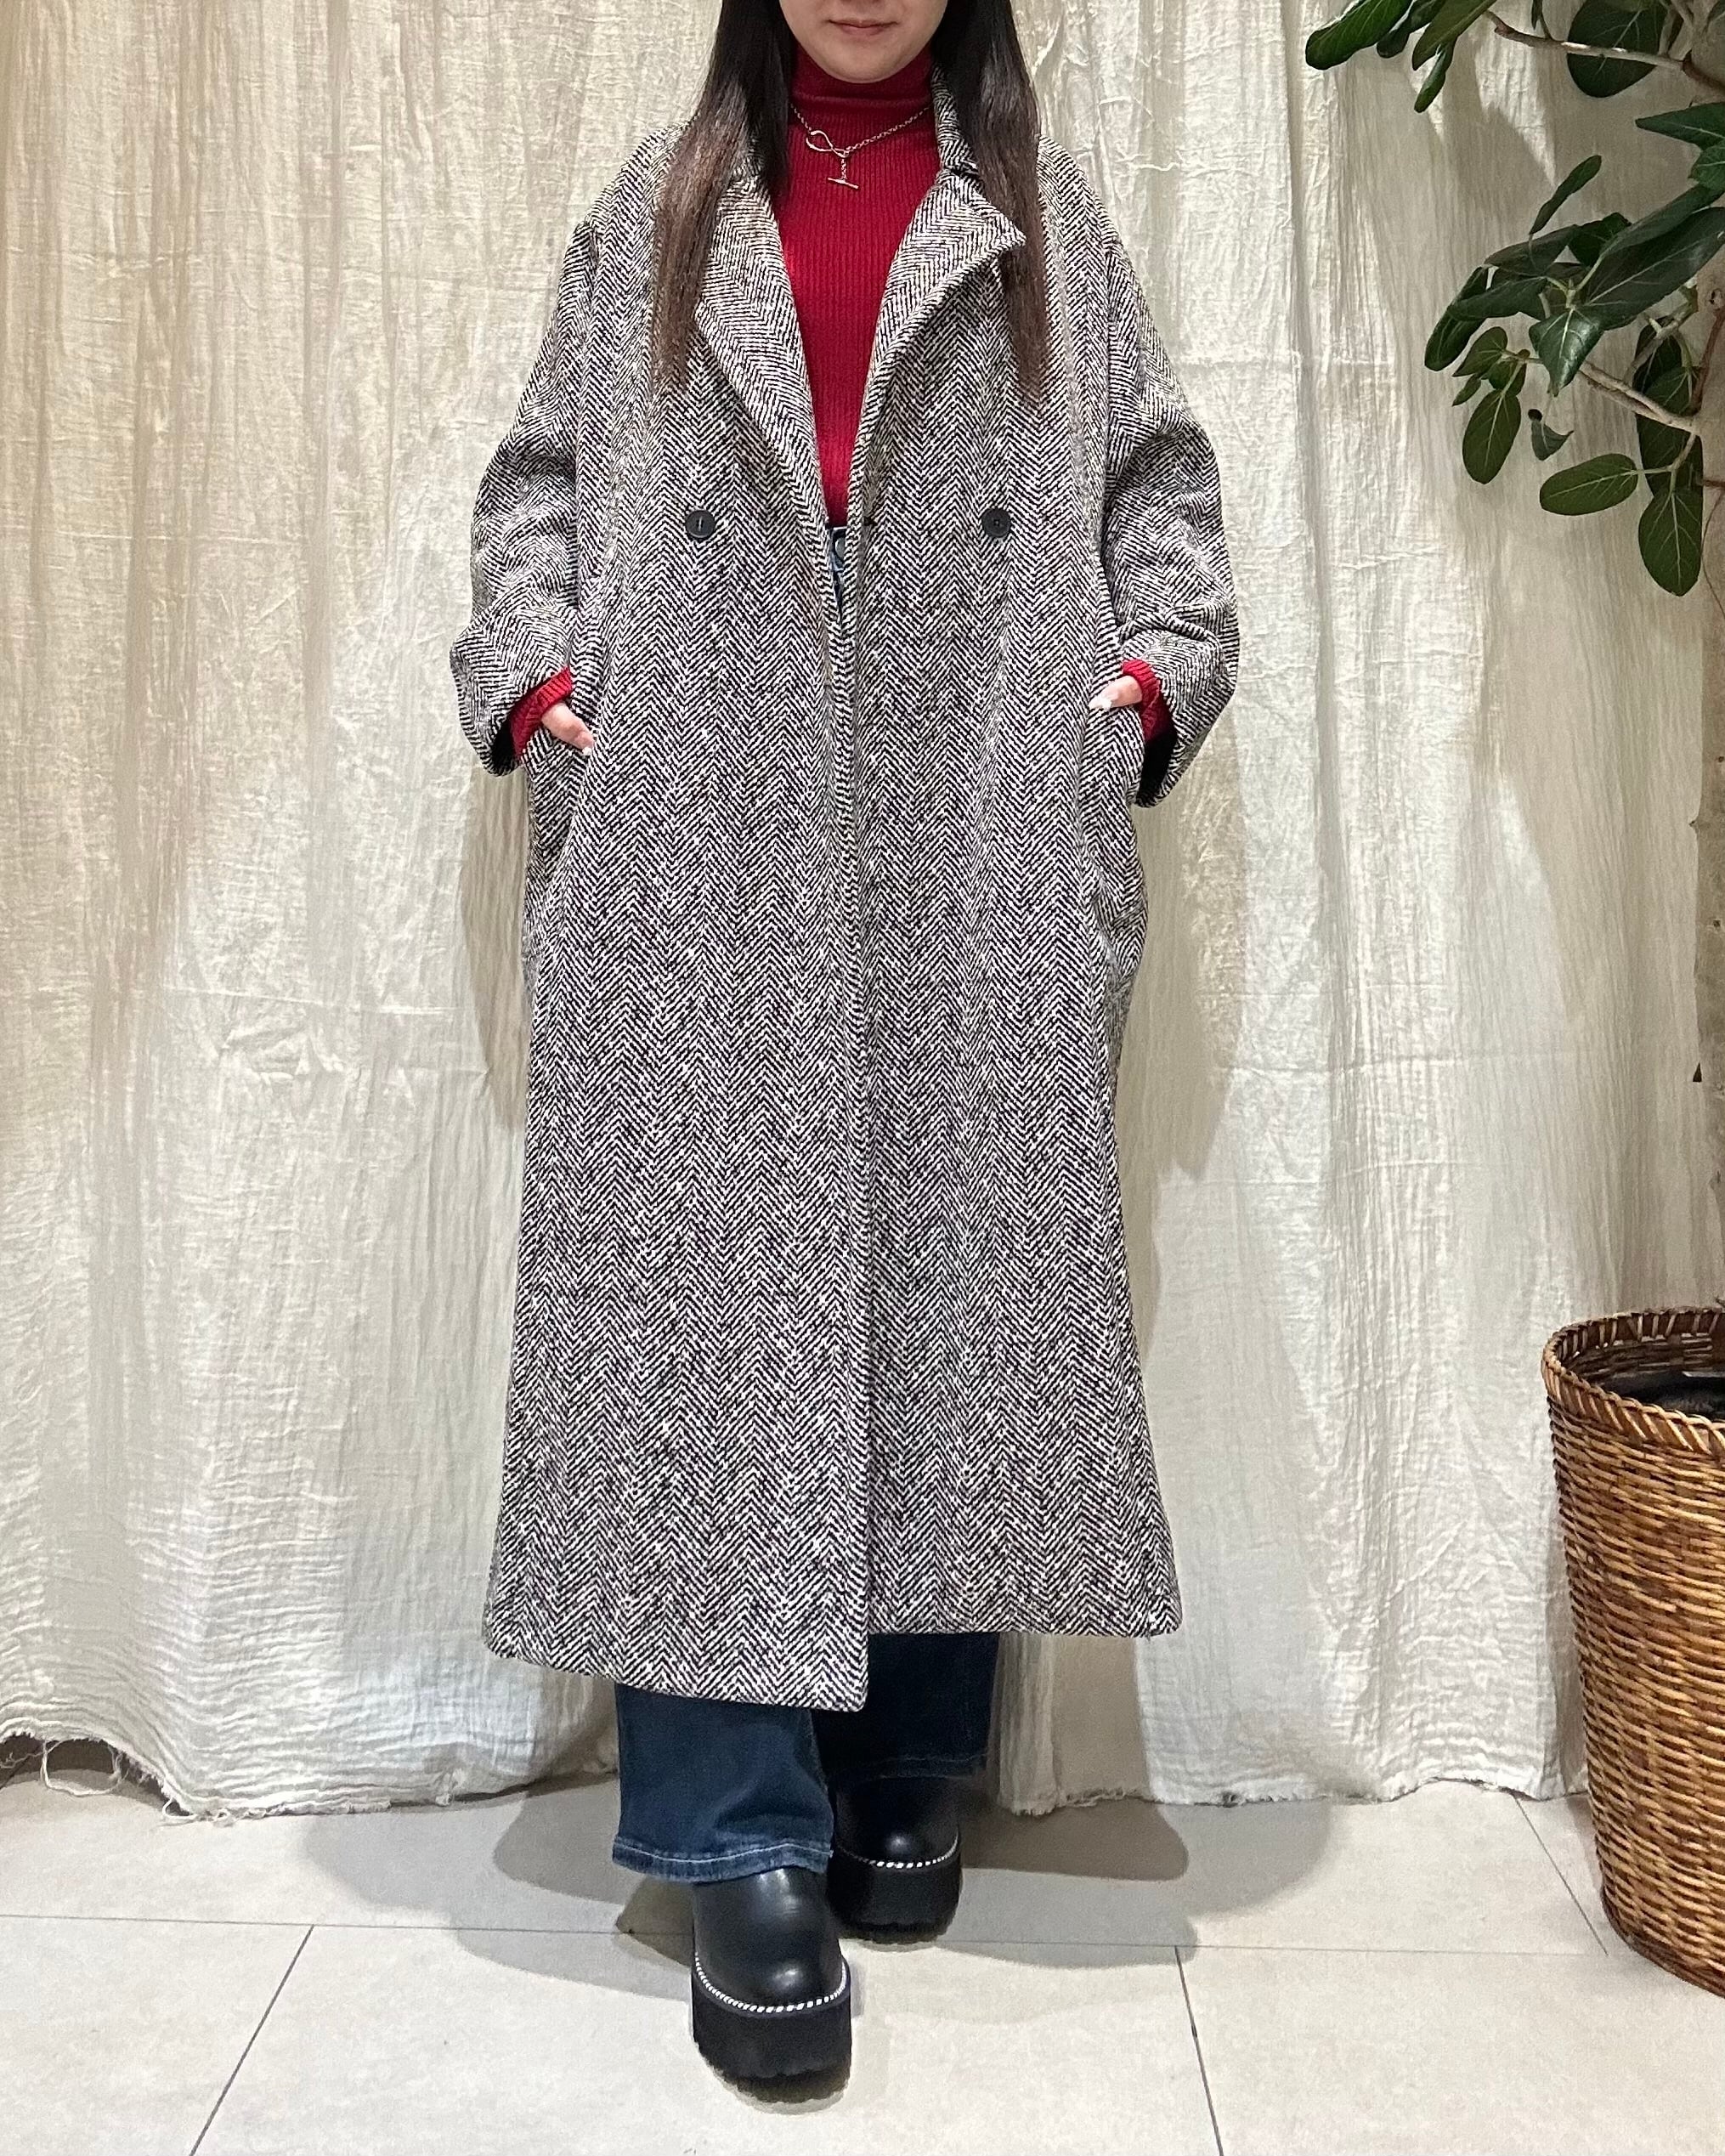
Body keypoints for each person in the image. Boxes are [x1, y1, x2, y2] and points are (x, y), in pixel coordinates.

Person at [450, 0, 1239, 2090]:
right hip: (702, 796)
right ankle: (733, 1826)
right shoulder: (654, 212)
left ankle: (908, 1751)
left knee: (954, 1277)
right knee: (708, 1311)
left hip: (968, 788)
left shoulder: (1041, 216)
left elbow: (1161, 486)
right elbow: (536, 480)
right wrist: (534, 679)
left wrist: (1153, 677)